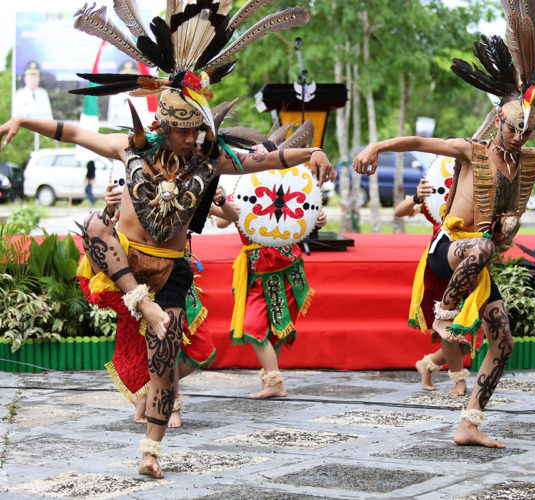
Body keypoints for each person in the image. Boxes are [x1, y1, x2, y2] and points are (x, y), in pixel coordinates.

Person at [0, 0, 328, 479]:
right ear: (165, 126)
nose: (194, 138)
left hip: (170, 269)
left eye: (199, 130)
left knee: (165, 356)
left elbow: (265, 161)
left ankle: (150, 451)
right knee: (93, 225)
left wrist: (312, 150)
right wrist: (24, 121)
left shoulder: (209, 158)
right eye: (186, 132)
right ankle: (141, 304)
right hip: (126, 261)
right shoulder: (127, 147)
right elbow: (73, 132)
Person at [355, 0, 535, 448]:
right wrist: (376, 146)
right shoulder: (471, 151)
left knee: (503, 343)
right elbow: (418, 140)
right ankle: (445, 317)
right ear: (500, 120)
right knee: (483, 249)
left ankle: (469, 423)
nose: (518, 136)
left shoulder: (529, 158)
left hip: (477, 262)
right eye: (513, 129)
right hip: (450, 249)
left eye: (526, 131)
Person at [102, 183, 234, 427]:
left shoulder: (188, 189)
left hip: (179, 281)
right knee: (163, 347)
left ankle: (154, 390)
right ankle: (168, 404)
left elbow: (231, 215)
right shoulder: (138, 187)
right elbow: (106, 229)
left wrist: (220, 198)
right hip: (144, 282)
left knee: (202, 350)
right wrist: (109, 207)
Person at [218, 190, 327, 399]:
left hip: (286, 267)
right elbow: (221, 221)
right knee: (251, 325)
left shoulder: (289, 189)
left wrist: (319, 218)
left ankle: (272, 382)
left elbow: (311, 216)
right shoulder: (243, 191)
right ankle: (273, 381)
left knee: (277, 328)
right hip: (256, 271)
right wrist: (223, 205)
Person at [396, 177, 469, 395]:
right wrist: (417, 197)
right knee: (449, 324)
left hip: (473, 260)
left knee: (468, 332)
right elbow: (400, 211)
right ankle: (459, 380)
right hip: (442, 262)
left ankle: (427, 364)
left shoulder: (476, 186)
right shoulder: (438, 189)